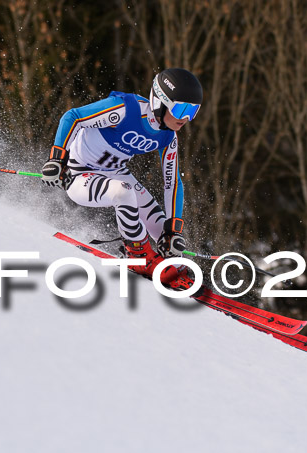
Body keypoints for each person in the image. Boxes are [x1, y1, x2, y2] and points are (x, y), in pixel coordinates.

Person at [41, 68, 203, 288]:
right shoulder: (125, 110)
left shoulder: (168, 136)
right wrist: (57, 159)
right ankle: (137, 255)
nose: (185, 118)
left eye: (193, 112)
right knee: (124, 191)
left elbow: (172, 182)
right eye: (182, 109)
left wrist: (173, 231)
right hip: (79, 174)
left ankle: (176, 264)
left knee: (158, 221)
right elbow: (74, 117)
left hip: (116, 173)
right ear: (161, 102)